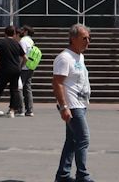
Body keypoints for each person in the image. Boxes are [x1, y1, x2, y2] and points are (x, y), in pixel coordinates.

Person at [51, 23, 94, 182]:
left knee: (73, 140)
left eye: (89, 38)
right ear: (73, 38)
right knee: (83, 139)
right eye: (84, 38)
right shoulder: (64, 58)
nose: (88, 41)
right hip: (71, 106)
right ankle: (82, 175)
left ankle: (62, 175)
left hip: (80, 104)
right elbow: (57, 83)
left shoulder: (79, 56)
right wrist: (63, 107)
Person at [0, 23, 25, 117]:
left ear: (5, 33)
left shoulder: (1, 42)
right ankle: (11, 111)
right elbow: (25, 57)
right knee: (14, 90)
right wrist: (20, 66)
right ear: (14, 33)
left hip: (4, 69)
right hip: (16, 70)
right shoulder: (17, 44)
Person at [18, 25, 39, 116]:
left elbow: (22, 55)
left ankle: (20, 109)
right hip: (31, 66)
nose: (20, 31)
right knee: (27, 88)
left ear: (26, 31)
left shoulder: (23, 41)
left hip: (23, 67)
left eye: (22, 30)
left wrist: (19, 66)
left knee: (18, 88)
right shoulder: (31, 41)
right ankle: (29, 110)